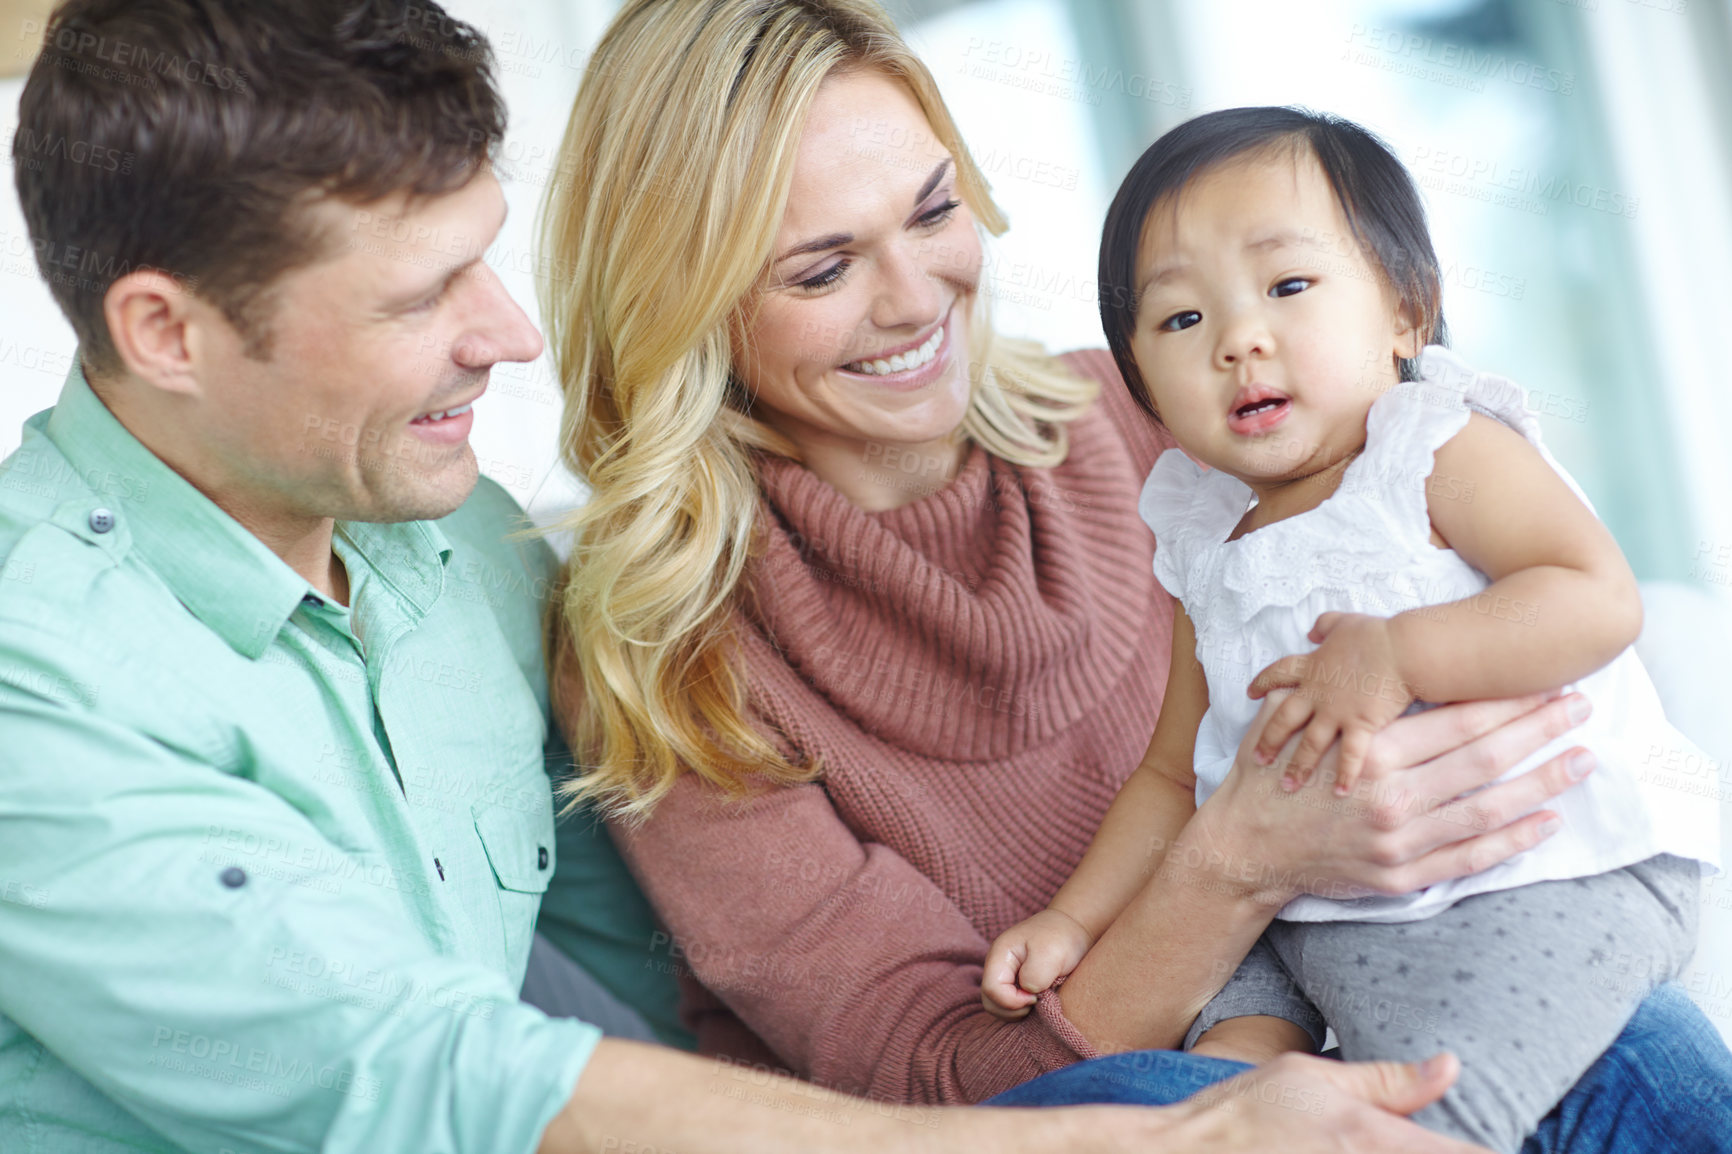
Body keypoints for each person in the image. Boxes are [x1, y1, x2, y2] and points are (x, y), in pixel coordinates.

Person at [0, 2, 1514, 1152]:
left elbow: (670, 990)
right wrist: (1134, 1125)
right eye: (419, 296)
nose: (512, 334)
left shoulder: (456, 555)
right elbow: (436, 1068)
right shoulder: (36, 676)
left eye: (932, 209)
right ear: (168, 333)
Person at [539, 2, 1732, 1150]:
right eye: (819, 269)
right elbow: (937, 1092)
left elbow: (1517, 582)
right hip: (1051, 1118)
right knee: (1183, 1101)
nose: (915, 300)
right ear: (680, 308)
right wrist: (1248, 854)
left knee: (1637, 1039)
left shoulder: (1183, 424)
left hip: (1350, 993)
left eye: (934, 209)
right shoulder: (664, 647)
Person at [980, 107, 1725, 1153]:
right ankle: (1242, 1079)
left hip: (1542, 874)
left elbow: (1594, 597)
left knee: (1456, 1081)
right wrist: (1073, 918)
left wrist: (1398, 650)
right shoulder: (1206, 543)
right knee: (1228, 1010)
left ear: (1404, 312)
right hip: (1332, 905)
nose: (1239, 338)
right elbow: (1167, 779)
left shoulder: (1433, 449)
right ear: (1143, 385)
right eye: (1181, 320)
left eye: (1287, 287)